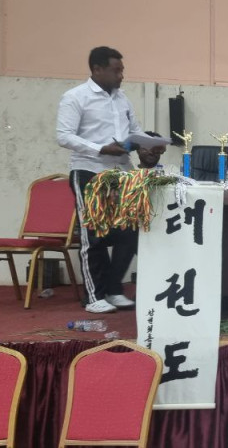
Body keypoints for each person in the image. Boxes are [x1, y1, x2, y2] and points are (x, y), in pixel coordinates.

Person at [56, 46, 144, 313]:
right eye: (116, 70)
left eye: (122, 70)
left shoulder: (122, 99)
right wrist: (100, 149)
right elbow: (63, 135)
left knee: (129, 232)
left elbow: (135, 130)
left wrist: (146, 145)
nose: (121, 76)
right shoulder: (75, 97)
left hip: (122, 173)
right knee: (93, 236)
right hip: (89, 172)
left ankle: (114, 290)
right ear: (97, 69)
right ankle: (94, 296)